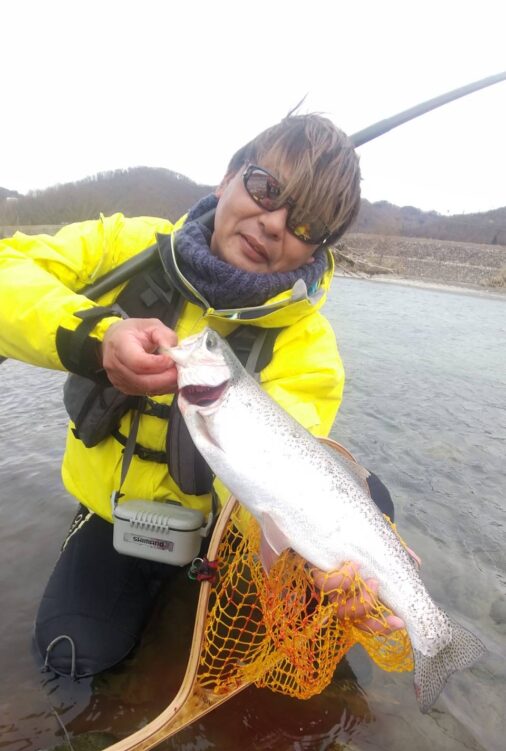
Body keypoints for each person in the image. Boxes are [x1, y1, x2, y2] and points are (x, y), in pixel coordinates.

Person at [0, 112, 402, 679]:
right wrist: (97, 338)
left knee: (361, 521)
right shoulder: (126, 245)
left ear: (316, 251)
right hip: (112, 518)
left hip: (226, 539)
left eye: (306, 225)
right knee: (69, 655)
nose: (272, 224)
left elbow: (273, 492)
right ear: (228, 179)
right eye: (266, 189)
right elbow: (6, 269)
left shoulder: (308, 348)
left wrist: (327, 561)